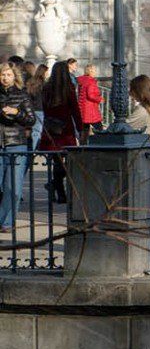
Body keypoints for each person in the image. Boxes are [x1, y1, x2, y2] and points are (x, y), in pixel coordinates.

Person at [36, 60, 81, 205]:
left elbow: (44, 107)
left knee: (58, 162)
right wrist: (80, 128)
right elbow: (75, 109)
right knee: (66, 162)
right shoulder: (68, 88)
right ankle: (58, 188)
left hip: (51, 129)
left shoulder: (47, 88)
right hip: (65, 130)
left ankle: (58, 190)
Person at [0, 63, 32, 230]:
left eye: (9, 75)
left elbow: (31, 119)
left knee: (13, 188)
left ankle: (6, 222)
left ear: (15, 77)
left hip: (16, 145)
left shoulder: (22, 96)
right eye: (3, 75)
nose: (5, 78)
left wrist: (16, 113)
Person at [75, 61, 103, 143]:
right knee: (99, 129)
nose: (95, 72)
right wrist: (99, 99)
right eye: (94, 70)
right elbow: (90, 95)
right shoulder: (91, 81)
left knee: (84, 130)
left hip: (83, 108)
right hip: (91, 110)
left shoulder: (82, 81)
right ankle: (101, 145)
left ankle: (82, 148)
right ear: (90, 71)